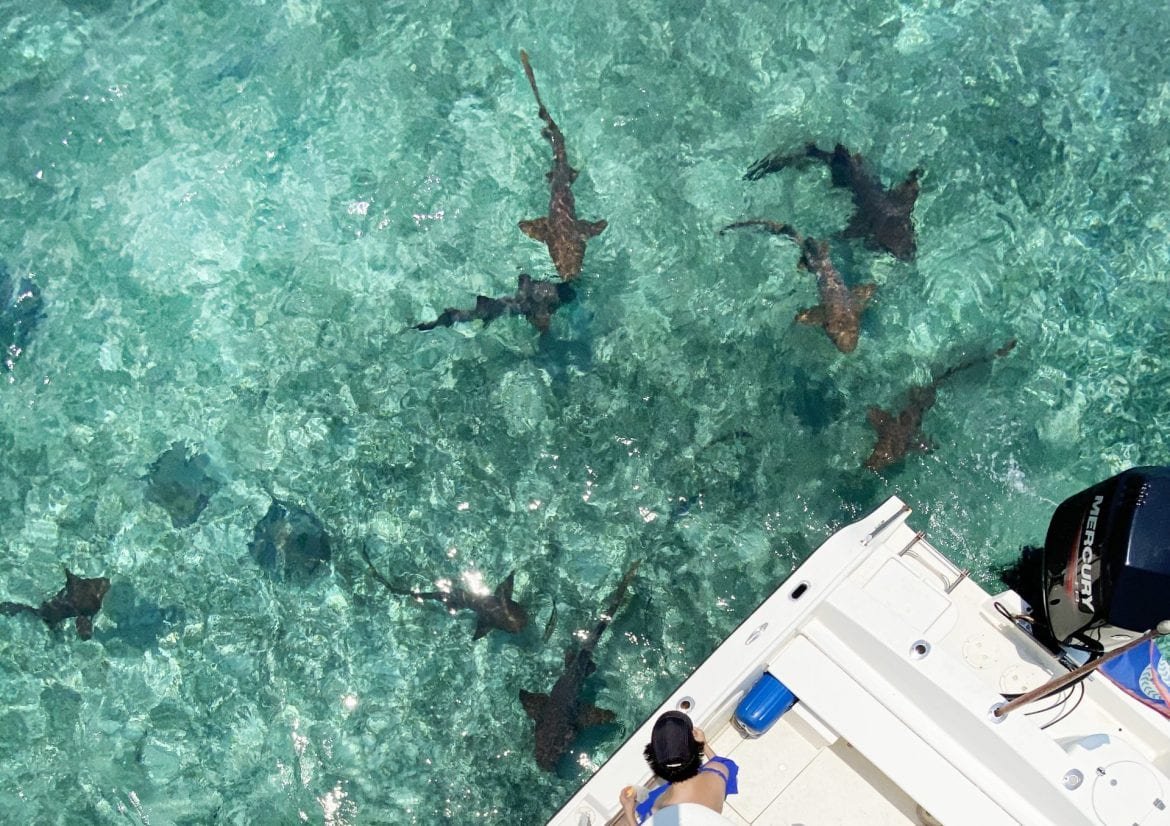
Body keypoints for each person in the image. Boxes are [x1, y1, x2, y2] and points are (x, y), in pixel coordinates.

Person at [617, 710, 740, 825]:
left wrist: (629, 810)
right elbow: (720, 763)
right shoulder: (718, 769)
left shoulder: (666, 811)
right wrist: (704, 744)